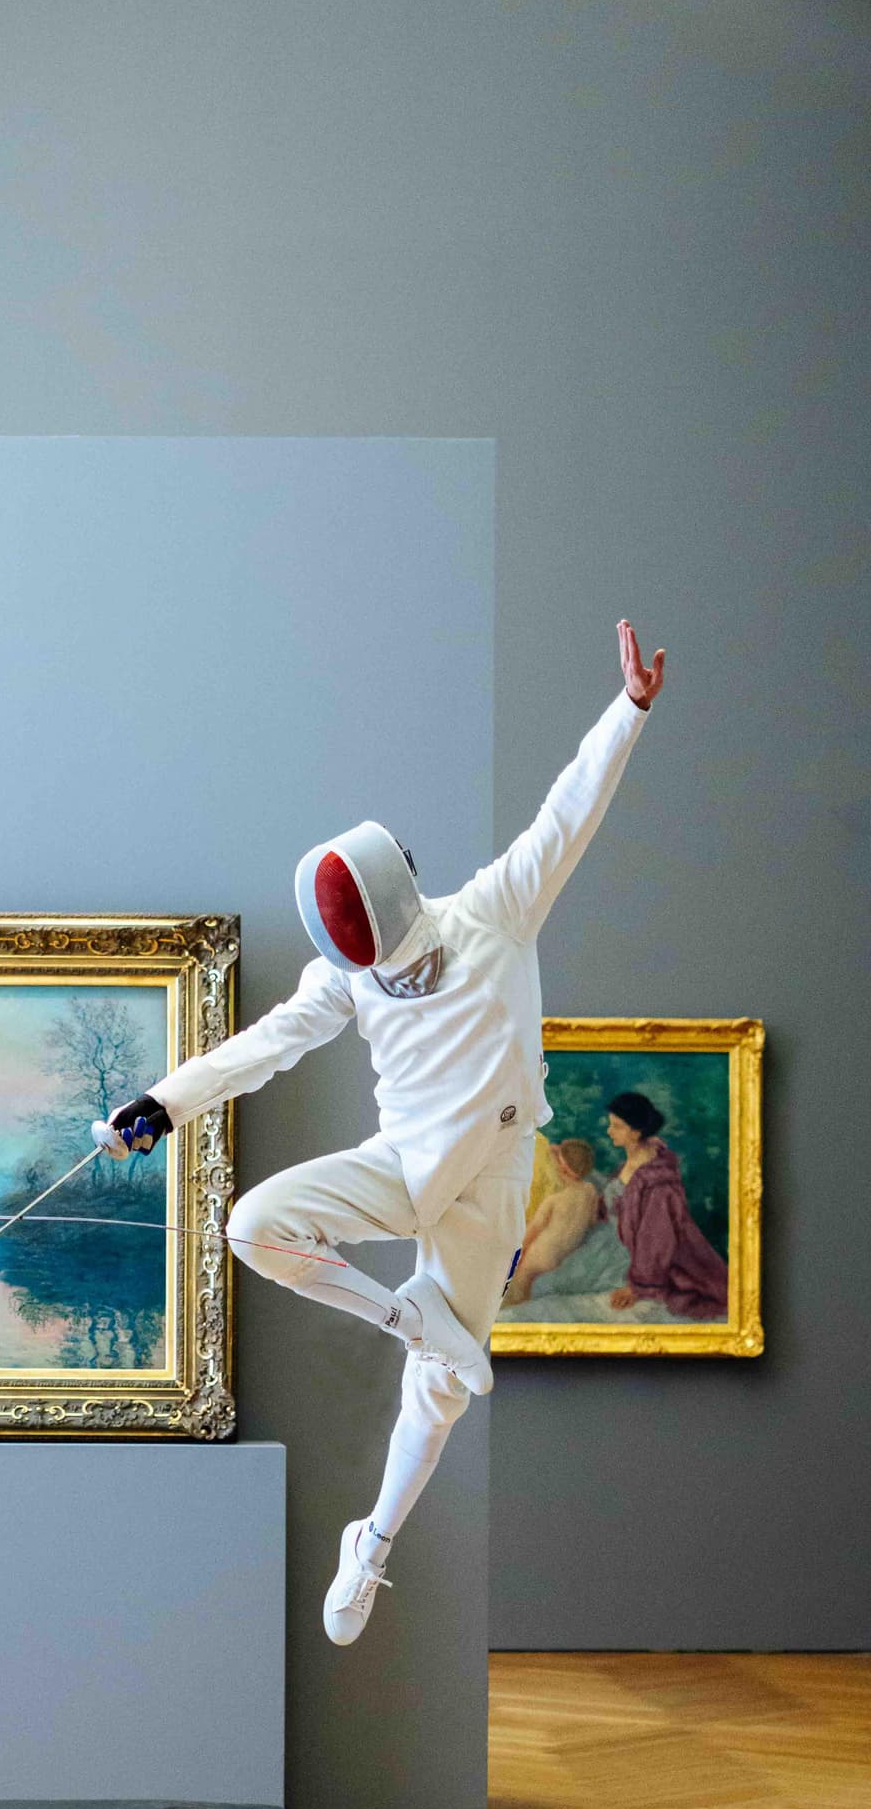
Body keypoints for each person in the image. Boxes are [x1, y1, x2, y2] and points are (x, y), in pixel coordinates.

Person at [100, 619, 665, 1646]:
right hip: (398, 1167)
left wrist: (626, 711)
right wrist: (164, 1101)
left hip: (491, 1175)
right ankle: (405, 1317)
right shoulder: (344, 978)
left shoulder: (495, 912)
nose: (391, 982)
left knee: (447, 1392)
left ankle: (373, 1544)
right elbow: (263, 1046)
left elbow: (568, 811)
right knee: (254, 1227)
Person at [602, 1092, 728, 1319]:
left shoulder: (659, 1181)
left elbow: (656, 1240)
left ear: (636, 1132)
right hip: (621, 1254)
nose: (609, 1131)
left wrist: (637, 1288)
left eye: (617, 1126)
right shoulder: (628, 1164)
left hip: (667, 1267)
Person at [504, 1138, 603, 1304]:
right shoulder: (590, 1191)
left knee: (519, 1289)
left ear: (562, 1167)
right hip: (563, 1256)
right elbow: (592, 1221)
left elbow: (533, 1231)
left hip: (540, 1255)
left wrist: (518, 1255)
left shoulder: (554, 1200)